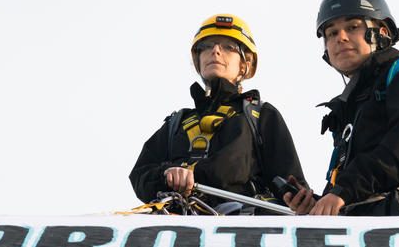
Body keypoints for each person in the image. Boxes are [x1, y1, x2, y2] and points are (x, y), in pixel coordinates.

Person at [284, 0, 399, 216]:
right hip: (374, 223)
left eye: (353, 26)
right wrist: (318, 204)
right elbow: (358, 184)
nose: (341, 38)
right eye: (332, 33)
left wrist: (344, 191)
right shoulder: (351, 109)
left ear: (382, 33)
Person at [130, 13, 306, 211]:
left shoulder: (259, 116)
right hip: (180, 224)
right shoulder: (177, 123)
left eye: (228, 47)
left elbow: (293, 187)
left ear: (244, 64)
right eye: (206, 47)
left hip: (242, 225)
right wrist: (166, 174)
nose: (215, 51)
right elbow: (140, 175)